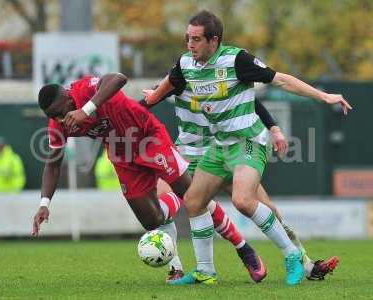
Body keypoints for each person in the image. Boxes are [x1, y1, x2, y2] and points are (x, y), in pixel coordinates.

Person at [143, 10, 351, 286]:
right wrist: (155, 96)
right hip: (216, 147)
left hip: (247, 142)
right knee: (193, 202)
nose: (189, 44)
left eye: (195, 39)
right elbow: (169, 80)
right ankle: (205, 271)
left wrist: (323, 96)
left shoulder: (236, 59)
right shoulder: (186, 65)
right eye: (187, 38)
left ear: (213, 40)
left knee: (246, 201)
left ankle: (296, 256)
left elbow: (280, 80)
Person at [31, 73, 264, 283]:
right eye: (53, 117)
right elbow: (53, 164)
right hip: (121, 155)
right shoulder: (59, 125)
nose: (60, 120)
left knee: (194, 197)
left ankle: (243, 248)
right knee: (151, 221)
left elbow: (118, 78)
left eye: (60, 113)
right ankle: (176, 267)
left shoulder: (84, 89)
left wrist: (87, 109)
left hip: (149, 138)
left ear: (68, 98)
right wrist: (44, 203)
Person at [148, 86, 339, 281]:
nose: (192, 54)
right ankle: (176, 268)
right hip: (187, 154)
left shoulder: (220, 74)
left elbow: (251, 103)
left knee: (262, 206)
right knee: (162, 201)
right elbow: (150, 98)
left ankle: (305, 262)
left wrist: (274, 128)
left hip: (222, 150)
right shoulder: (182, 73)